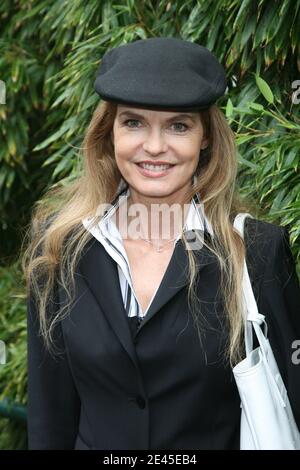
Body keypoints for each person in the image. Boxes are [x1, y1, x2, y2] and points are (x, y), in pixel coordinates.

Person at [22, 37, 300, 450]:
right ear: (108, 132)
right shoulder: (60, 246)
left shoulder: (256, 250)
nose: (154, 147)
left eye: (178, 125)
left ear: (205, 137)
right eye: (133, 122)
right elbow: (50, 417)